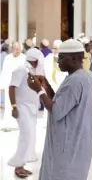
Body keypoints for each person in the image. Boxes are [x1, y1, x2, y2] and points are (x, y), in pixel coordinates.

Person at [27, 39, 92, 180]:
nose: (57, 61)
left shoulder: (75, 81)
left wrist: (39, 90)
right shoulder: (81, 77)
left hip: (67, 148)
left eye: (61, 57)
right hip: (73, 144)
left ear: (75, 59)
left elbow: (57, 110)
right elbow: (60, 102)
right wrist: (45, 85)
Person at [8, 48, 44, 178]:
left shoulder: (33, 70)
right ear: (35, 59)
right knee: (26, 135)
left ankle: (22, 164)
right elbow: (12, 87)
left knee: (31, 135)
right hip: (21, 107)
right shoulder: (21, 69)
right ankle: (18, 166)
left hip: (31, 108)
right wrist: (14, 106)